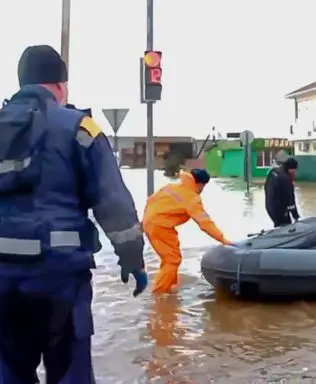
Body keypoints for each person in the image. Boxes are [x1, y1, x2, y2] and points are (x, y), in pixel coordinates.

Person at [0, 45, 147, 383]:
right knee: (69, 373)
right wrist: (132, 258)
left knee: (8, 372)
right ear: (61, 86)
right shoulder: (81, 128)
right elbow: (113, 203)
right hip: (60, 277)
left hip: (3, 279)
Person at [143, 168, 232, 294]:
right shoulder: (192, 198)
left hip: (151, 223)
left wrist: (146, 221)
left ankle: (170, 288)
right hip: (161, 226)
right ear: (200, 184)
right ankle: (159, 294)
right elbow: (205, 222)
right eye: (203, 186)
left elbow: (151, 200)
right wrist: (222, 239)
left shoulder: (171, 187)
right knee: (172, 260)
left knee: (171, 256)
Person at [264, 157, 300, 227]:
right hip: (279, 209)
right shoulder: (286, 179)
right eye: (295, 170)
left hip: (269, 206)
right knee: (286, 227)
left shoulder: (273, 171)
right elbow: (291, 200)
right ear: (291, 169)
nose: (295, 172)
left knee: (278, 225)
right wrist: (296, 217)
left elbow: (266, 187)